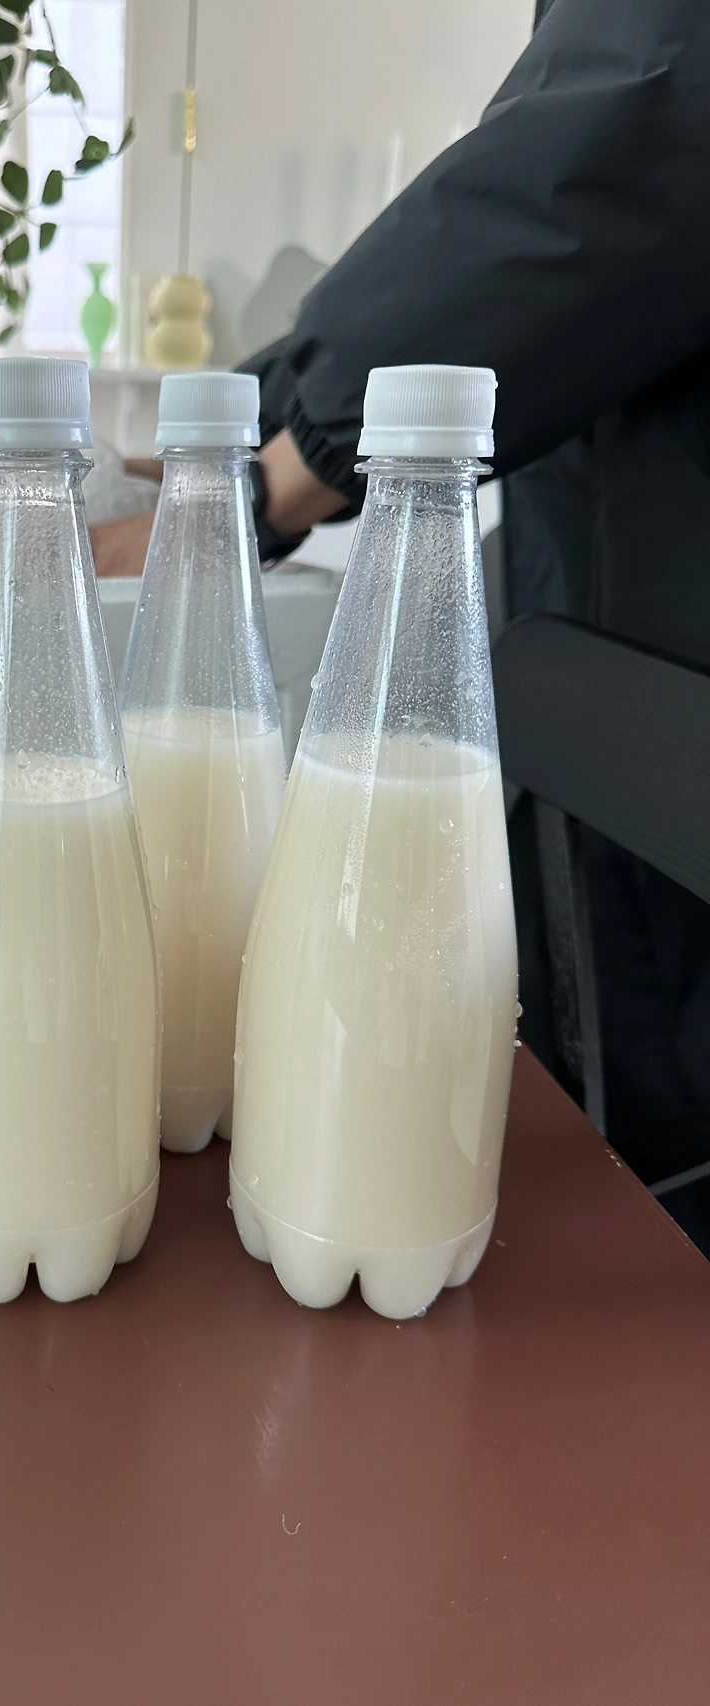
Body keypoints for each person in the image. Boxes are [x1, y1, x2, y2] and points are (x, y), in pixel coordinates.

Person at [91, 0, 710, 1244]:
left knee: (640, 1133)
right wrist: (248, 429)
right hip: (614, 539)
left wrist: (268, 473)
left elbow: (625, 131)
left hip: (658, 600)